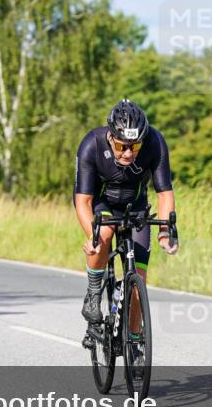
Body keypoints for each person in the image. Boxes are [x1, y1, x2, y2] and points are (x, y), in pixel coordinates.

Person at [73, 99, 178, 329]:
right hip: (103, 204)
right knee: (104, 236)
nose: (129, 153)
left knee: (139, 278)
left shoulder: (155, 142)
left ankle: (135, 340)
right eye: (122, 146)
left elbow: (164, 193)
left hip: (136, 207)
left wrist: (165, 232)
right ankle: (93, 293)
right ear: (111, 137)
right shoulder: (92, 144)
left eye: (135, 146)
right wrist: (92, 235)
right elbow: (83, 200)